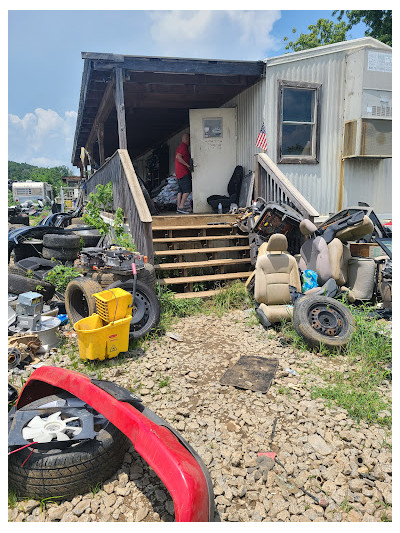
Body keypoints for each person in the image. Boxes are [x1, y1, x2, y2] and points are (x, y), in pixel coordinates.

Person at [175, 133, 192, 214]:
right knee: (187, 190)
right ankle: (181, 207)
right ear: (186, 139)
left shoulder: (180, 146)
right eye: (189, 139)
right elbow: (178, 157)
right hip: (183, 172)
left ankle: (178, 207)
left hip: (179, 173)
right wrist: (187, 165)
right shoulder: (183, 147)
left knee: (180, 191)